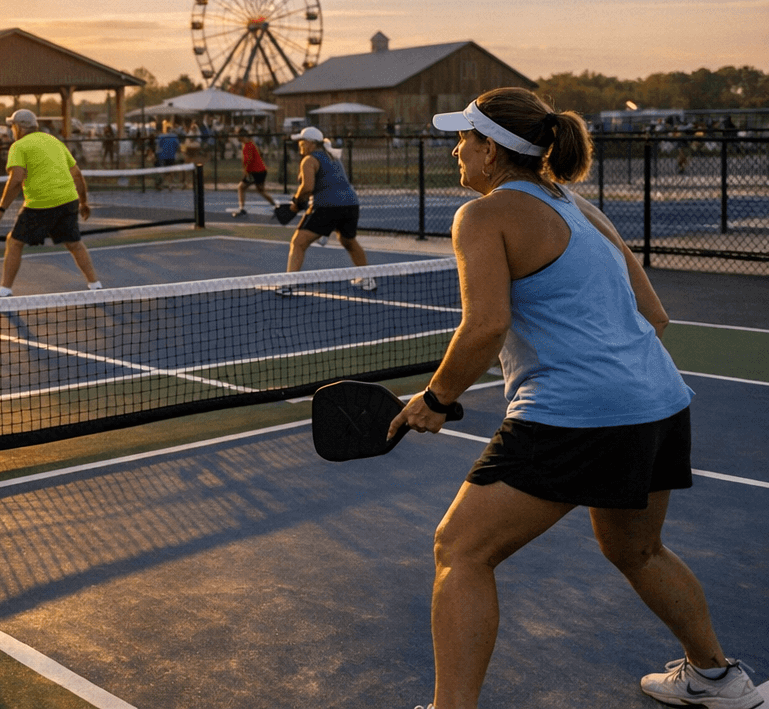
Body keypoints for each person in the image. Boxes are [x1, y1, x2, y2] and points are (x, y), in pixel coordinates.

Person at [392, 88, 756, 709]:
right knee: (637, 550)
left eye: (464, 139)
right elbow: (655, 315)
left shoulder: (481, 216)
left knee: (461, 549)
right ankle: (718, 679)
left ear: (491, 150)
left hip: (574, 414)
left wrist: (437, 397)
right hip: (659, 400)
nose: (456, 150)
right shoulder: (581, 207)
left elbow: (484, 326)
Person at [0, 108, 101, 297]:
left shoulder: (19, 146)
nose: (12, 130)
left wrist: (0, 209)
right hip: (68, 200)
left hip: (40, 205)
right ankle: (96, 286)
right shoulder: (55, 142)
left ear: (20, 128)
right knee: (74, 244)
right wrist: (83, 203)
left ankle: (4, 292)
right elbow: (77, 175)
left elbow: (16, 180)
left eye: (13, 126)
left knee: (14, 243)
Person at [285, 126, 371, 284]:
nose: (300, 145)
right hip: (351, 204)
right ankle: (366, 279)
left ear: (311, 144)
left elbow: (307, 187)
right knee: (349, 241)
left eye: (302, 142)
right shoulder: (333, 157)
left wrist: (296, 202)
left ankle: (288, 284)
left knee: (298, 242)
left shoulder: (309, 160)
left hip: (327, 207)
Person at [232, 130, 276, 216]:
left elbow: (249, 160)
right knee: (260, 190)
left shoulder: (249, 145)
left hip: (255, 172)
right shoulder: (247, 144)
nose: (237, 138)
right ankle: (275, 205)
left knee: (241, 187)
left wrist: (246, 171)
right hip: (259, 171)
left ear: (242, 136)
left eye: (238, 136)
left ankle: (242, 209)